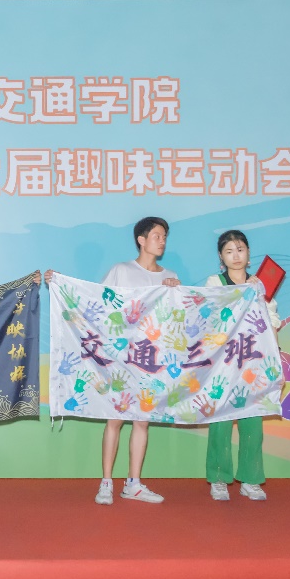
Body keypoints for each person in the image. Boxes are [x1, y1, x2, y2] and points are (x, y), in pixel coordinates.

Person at [95, 216, 179, 505]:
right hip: (121, 360)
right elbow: (97, 302)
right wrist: (60, 284)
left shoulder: (170, 277)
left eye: (164, 236)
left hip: (151, 360)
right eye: (157, 235)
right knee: (115, 420)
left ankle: (133, 483)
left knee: (142, 421)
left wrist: (175, 291)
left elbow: (176, 319)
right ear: (141, 240)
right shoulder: (121, 271)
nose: (162, 241)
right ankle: (106, 482)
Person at [203, 230, 286, 502]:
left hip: (255, 361)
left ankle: (250, 479)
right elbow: (212, 315)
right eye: (229, 251)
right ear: (221, 257)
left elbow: (271, 323)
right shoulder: (215, 282)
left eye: (240, 249)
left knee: (253, 419)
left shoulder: (261, 285)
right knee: (220, 420)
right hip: (224, 363)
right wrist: (243, 293)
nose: (235, 256)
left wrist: (276, 361)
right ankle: (218, 478)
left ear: (249, 254)